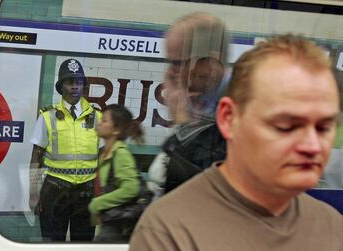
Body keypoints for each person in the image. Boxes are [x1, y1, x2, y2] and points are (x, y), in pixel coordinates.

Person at [129, 34, 343, 250]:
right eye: (286, 125)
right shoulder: (170, 232)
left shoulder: (331, 226)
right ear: (229, 119)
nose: (312, 145)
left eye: (324, 127)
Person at [147, 12, 228, 199]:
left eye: (178, 63)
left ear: (210, 63)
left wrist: (183, 124)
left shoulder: (228, 118)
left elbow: (192, 190)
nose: (170, 72)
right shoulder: (195, 104)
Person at [29, 58, 101, 241]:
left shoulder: (97, 117)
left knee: (83, 243)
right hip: (55, 189)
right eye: (70, 82)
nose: (75, 86)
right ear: (61, 87)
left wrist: (102, 194)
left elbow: (104, 158)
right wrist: (32, 194)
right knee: (52, 242)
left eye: (78, 82)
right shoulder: (47, 116)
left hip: (87, 191)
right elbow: (36, 157)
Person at [89, 104, 144, 242]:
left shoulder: (121, 154)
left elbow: (131, 188)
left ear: (116, 130)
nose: (100, 123)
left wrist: (97, 203)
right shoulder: (105, 153)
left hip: (119, 225)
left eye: (105, 121)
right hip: (109, 220)